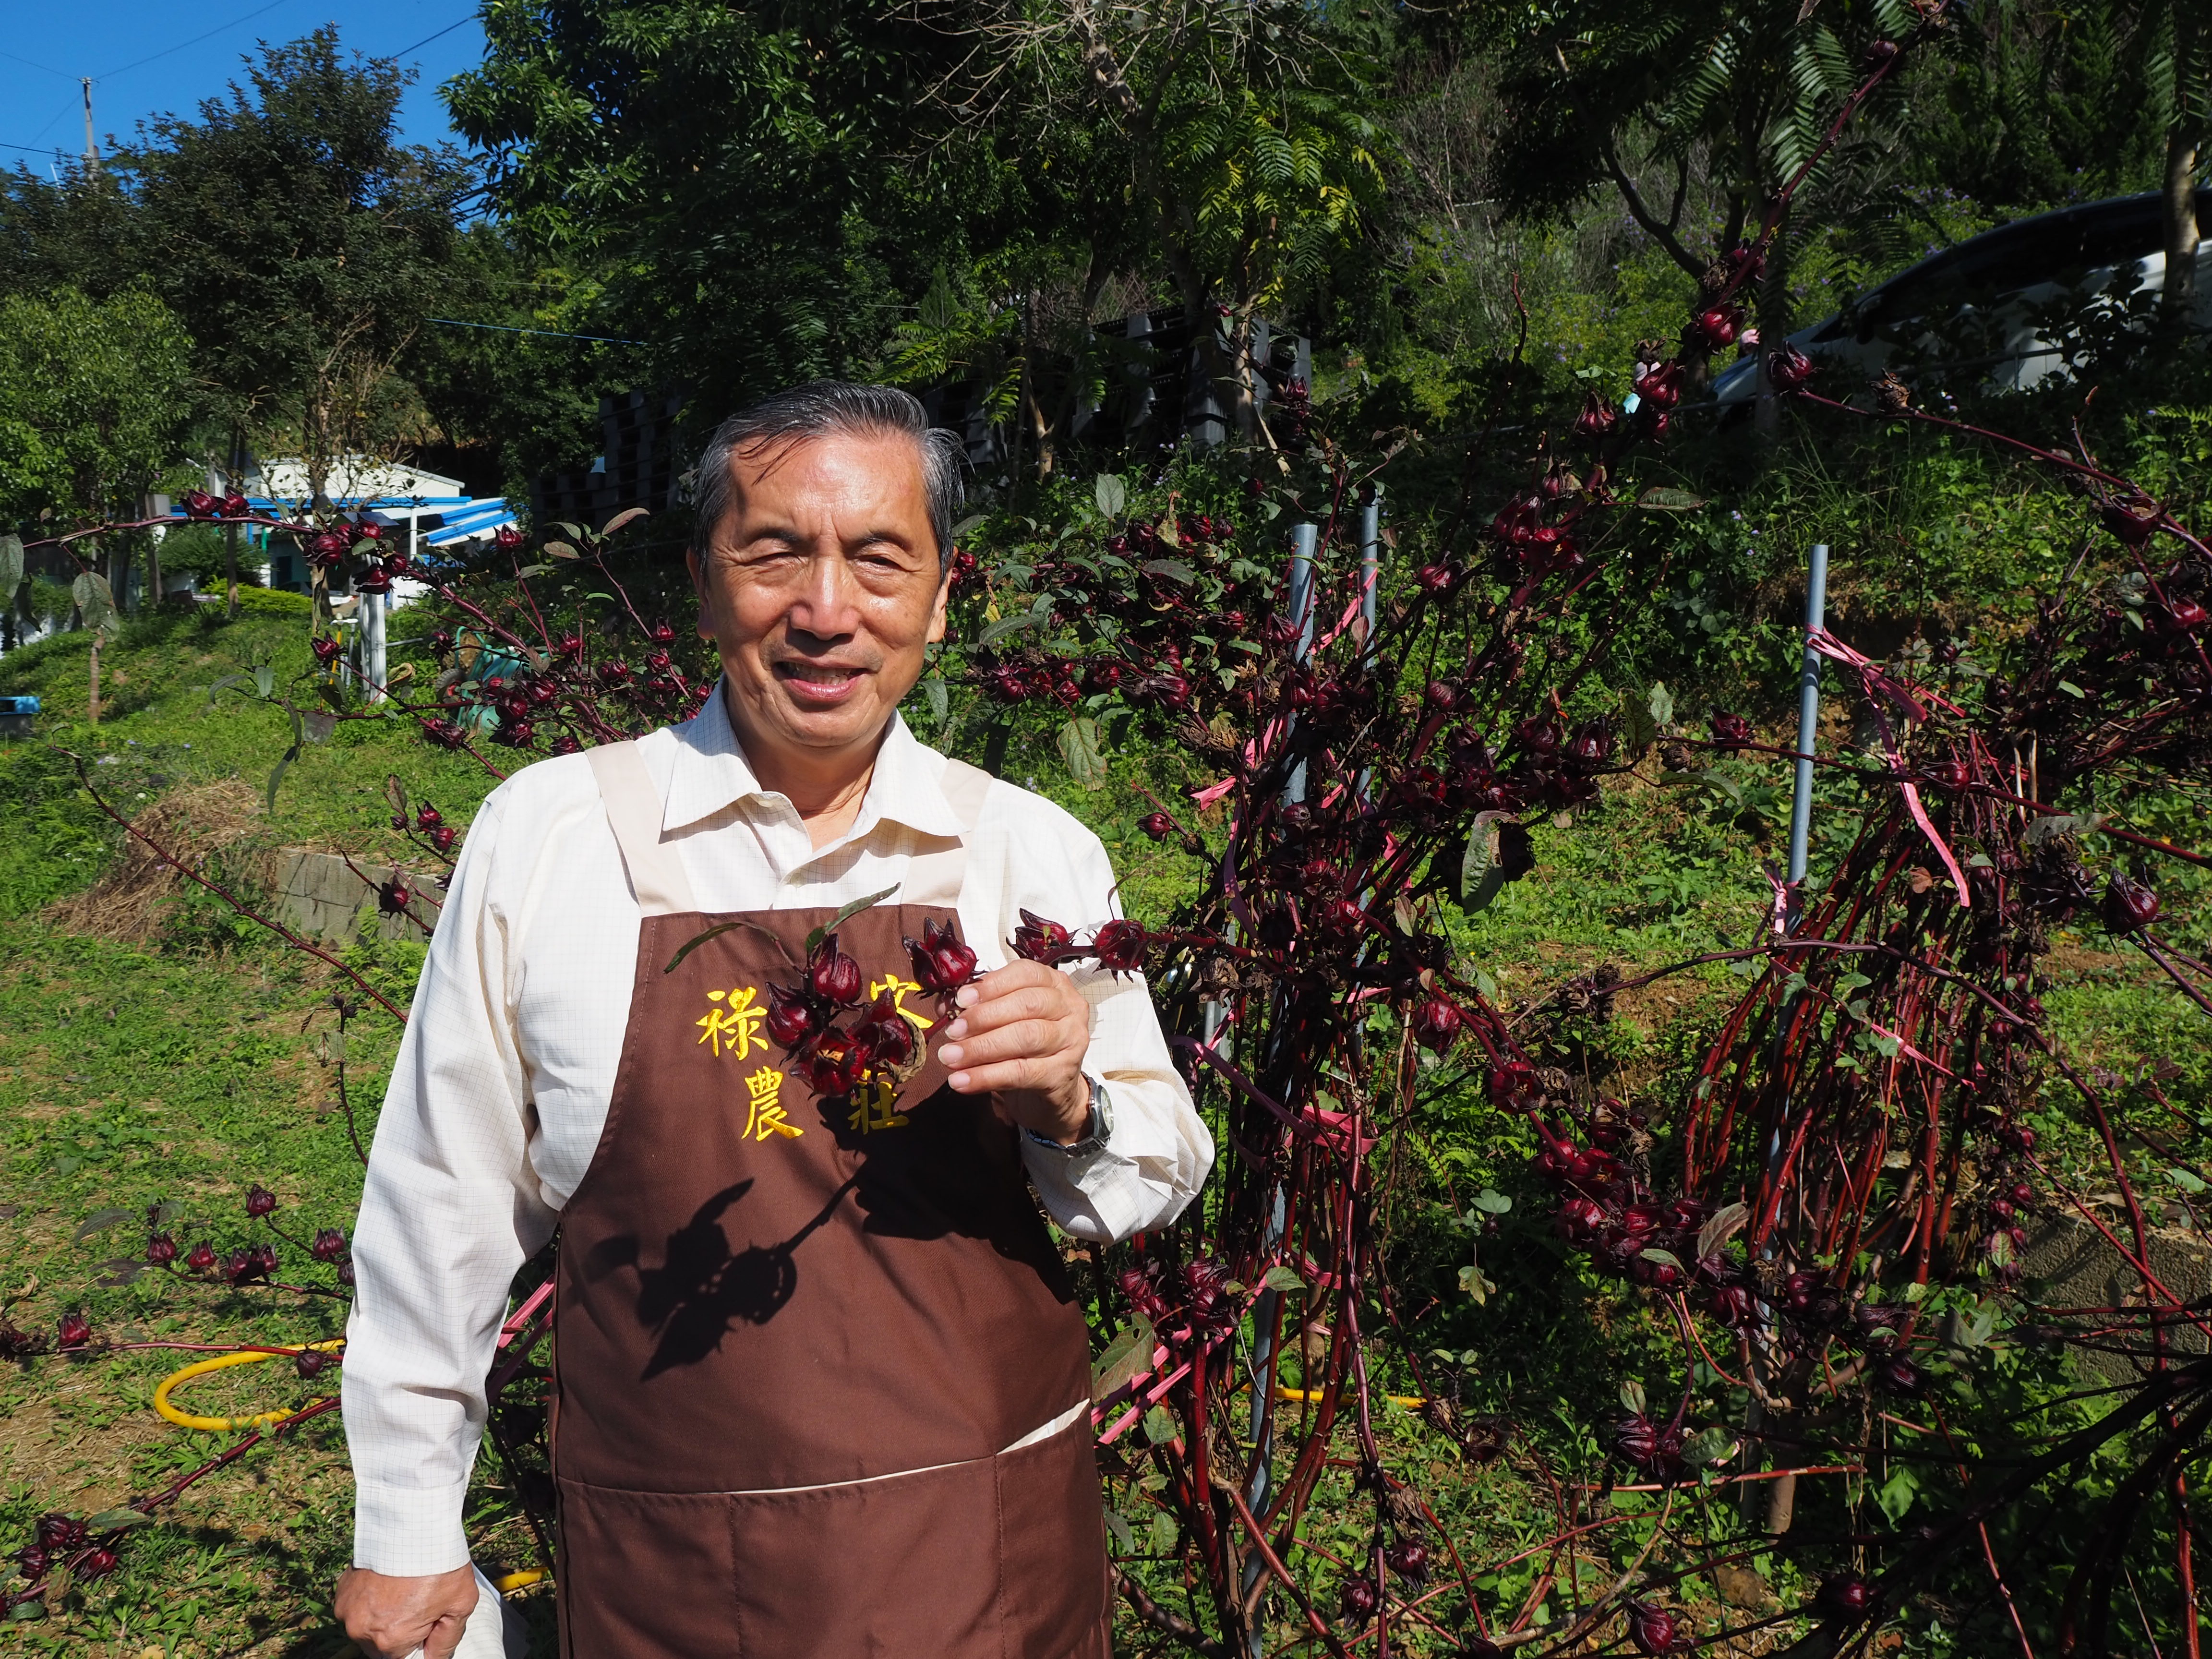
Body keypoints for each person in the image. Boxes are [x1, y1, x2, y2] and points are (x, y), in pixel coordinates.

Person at [333, 383, 1214, 1658]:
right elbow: (440, 1201)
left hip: (987, 1559)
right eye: (775, 553)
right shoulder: (554, 838)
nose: (826, 610)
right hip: (675, 1571)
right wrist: (407, 1527)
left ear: (943, 595)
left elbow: (1152, 1179)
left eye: (878, 558)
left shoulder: (1030, 854)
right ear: (704, 583)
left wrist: (1071, 1105)